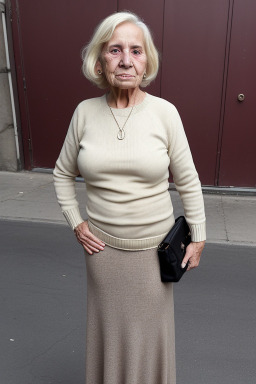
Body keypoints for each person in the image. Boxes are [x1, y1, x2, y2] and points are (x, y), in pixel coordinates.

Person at [53, 11, 206, 384]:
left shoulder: (164, 113)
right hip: (102, 253)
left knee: (150, 338)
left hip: (154, 254)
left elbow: (188, 179)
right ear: (100, 60)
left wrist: (199, 235)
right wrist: (77, 222)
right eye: (115, 50)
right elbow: (61, 173)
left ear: (146, 60)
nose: (126, 60)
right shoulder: (84, 113)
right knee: (110, 335)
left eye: (136, 51)